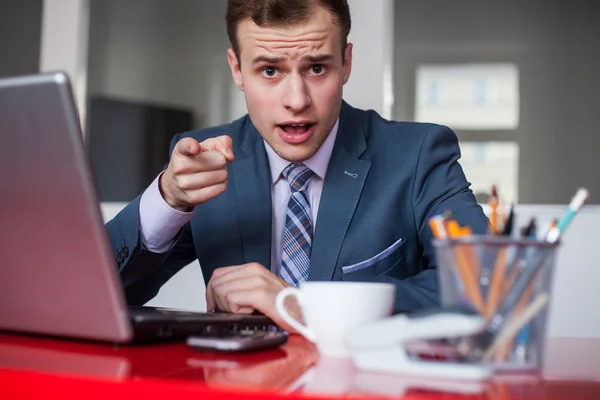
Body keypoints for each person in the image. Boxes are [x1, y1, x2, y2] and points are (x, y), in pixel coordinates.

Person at [106, 0, 488, 330]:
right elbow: (97, 294)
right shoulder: (205, 161)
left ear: (346, 62)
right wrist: (168, 199)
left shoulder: (419, 154)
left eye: (317, 68)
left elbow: (485, 284)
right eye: (270, 70)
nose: (297, 100)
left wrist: (301, 305)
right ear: (236, 69)